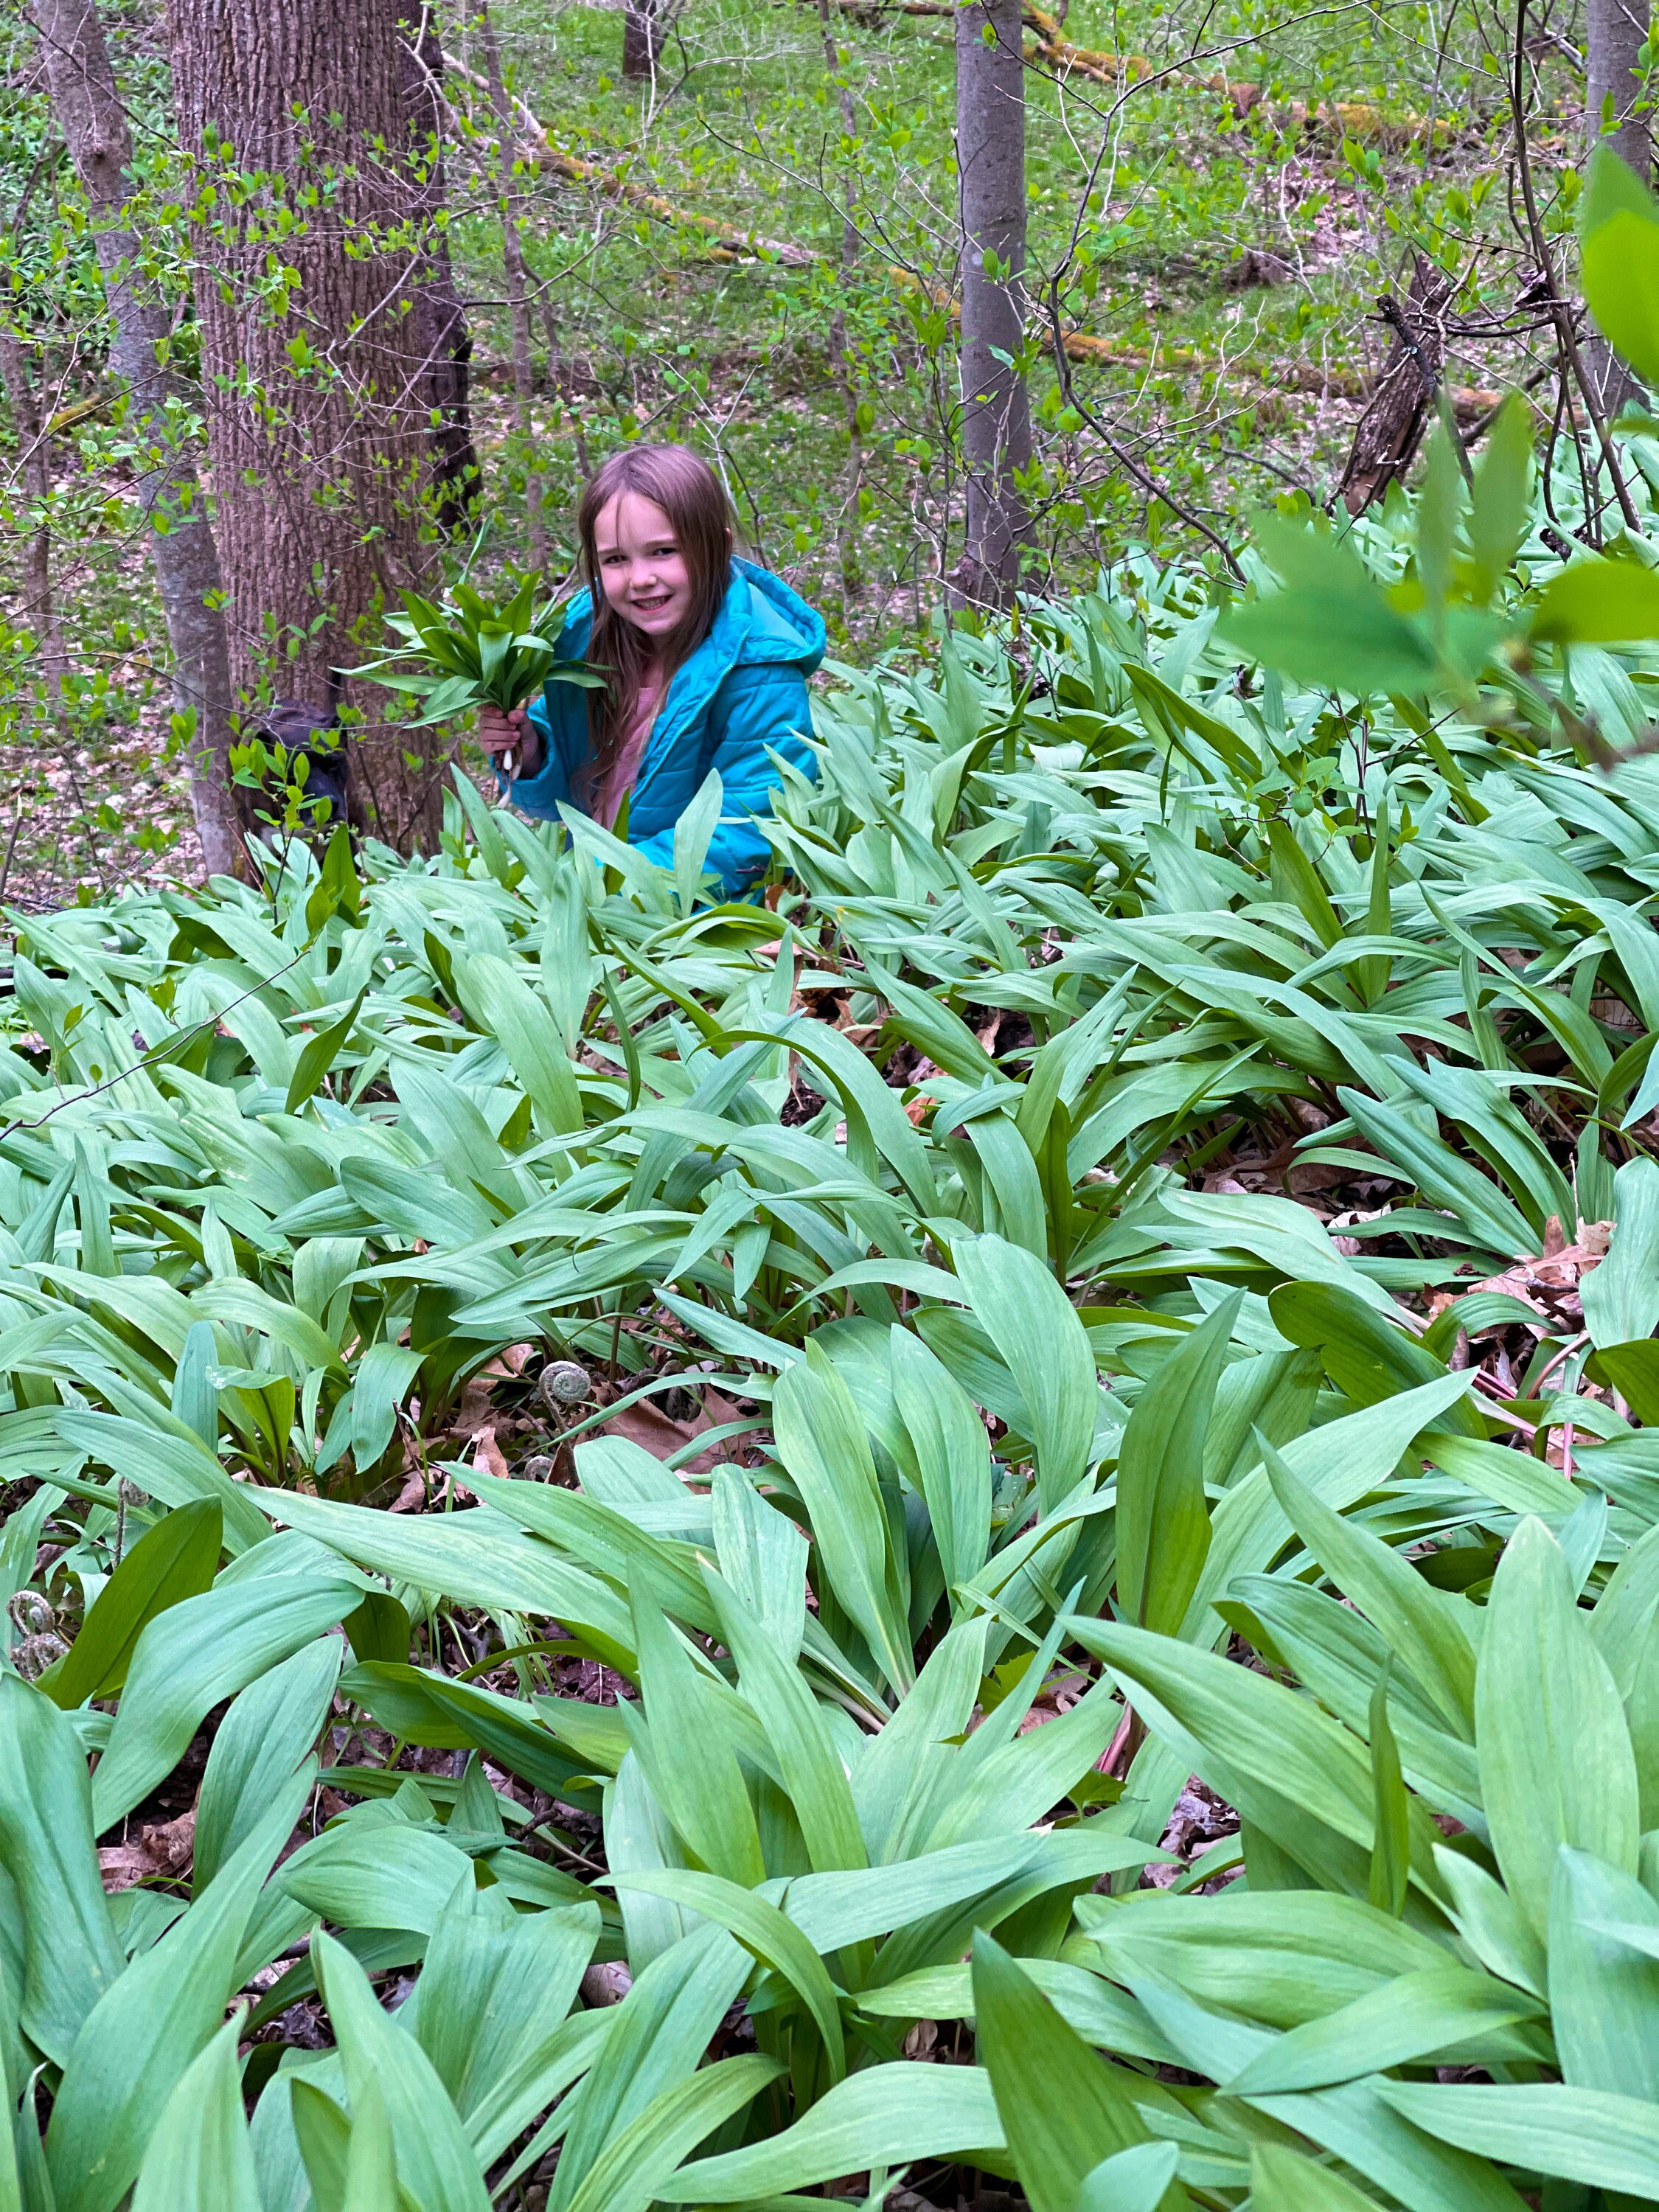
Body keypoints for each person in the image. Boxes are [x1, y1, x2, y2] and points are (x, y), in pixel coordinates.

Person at [477, 444, 825, 900]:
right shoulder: (587, 644)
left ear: (715, 548)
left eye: (663, 551)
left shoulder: (760, 674)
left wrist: (601, 888)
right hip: (597, 896)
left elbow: (746, 838)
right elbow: (563, 802)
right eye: (616, 559)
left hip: (698, 922)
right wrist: (532, 753)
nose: (640, 578)